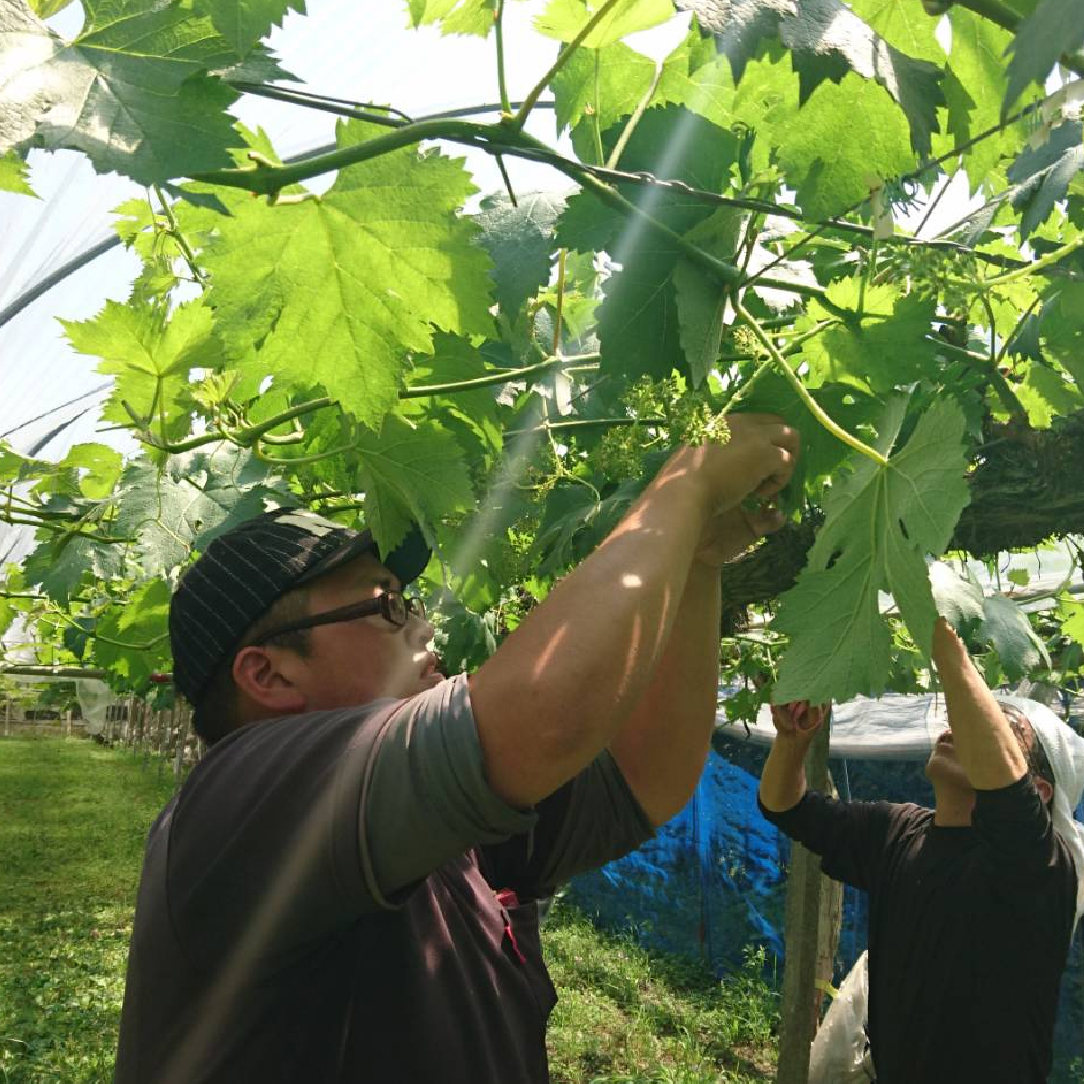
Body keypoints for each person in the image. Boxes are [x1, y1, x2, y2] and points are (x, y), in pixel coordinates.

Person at [113, 414, 800, 1084]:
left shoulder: (420, 823)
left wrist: (702, 558)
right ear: (269, 674)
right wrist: (687, 484)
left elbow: (646, 777)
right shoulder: (240, 798)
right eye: (385, 604)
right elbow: (544, 713)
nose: (420, 622)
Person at [759, 618, 1084, 1084]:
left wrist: (941, 631)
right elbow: (785, 806)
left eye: (997, 725)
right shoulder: (897, 829)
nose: (958, 724)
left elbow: (1008, 796)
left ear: (1040, 791)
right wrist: (792, 744)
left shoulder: (1039, 868)